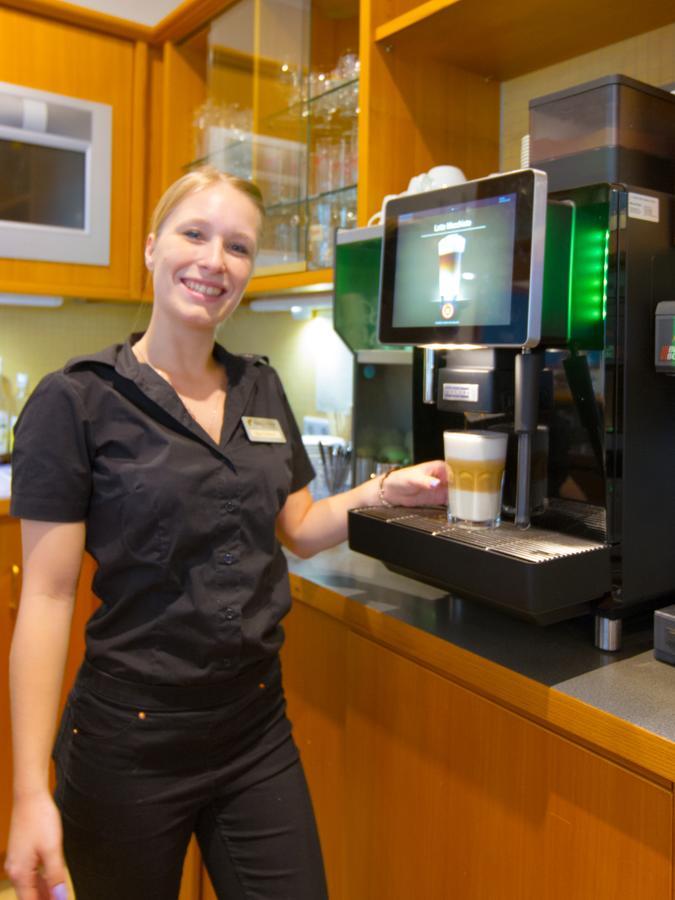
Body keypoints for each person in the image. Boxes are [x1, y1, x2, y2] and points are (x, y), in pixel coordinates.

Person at [6, 165, 447, 900]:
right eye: (194, 234)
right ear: (151, 249)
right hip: (129, 738)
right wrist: (27, 794)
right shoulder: (77, 399)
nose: (215, 261)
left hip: (254, 728)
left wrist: (384, 491)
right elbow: (48, 601)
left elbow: (299, 530)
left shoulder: (258, 387)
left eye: (237, 247)